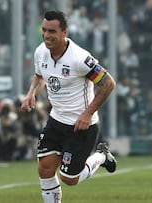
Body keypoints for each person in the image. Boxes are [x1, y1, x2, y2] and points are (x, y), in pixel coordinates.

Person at [21, 11, 117, 203]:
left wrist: (88, 113)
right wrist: (31, 93)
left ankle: (101, 155)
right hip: (56, 121)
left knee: (69, 178)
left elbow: (108, 83)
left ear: (64, 32)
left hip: (81, 126)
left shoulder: (79, 58)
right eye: (44, 30)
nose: (46, 35)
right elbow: (40, 76)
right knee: (45, 168)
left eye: (52, 31)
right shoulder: (41, 51)